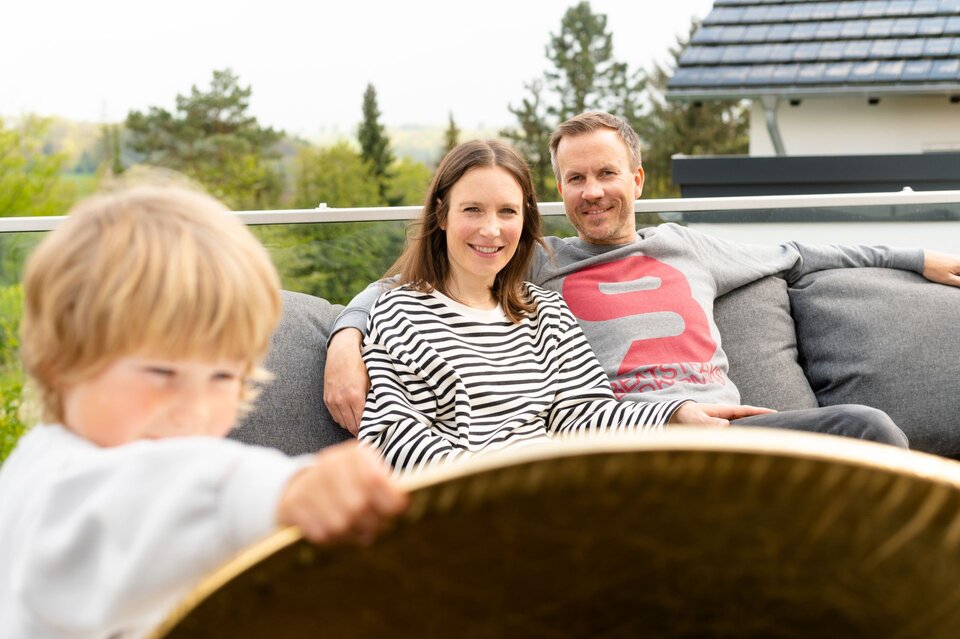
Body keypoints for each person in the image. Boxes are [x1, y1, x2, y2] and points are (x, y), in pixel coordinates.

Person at [327, 111, 960, 446]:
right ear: (558, 192)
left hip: (728, 430)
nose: (592, 191)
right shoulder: (532, 260)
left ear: (637, 178)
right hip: (630, 443)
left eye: (605, 173)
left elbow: (800, 251)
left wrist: (915, 257)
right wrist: (346, 336)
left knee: (867, 428)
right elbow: (409, 281)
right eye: (574, 179)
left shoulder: (689, 247)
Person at [0, 184, 408, 637]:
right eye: (161, 373)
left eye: (223, 378)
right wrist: (278, 490)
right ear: (62, 365)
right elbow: (138, 502)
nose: (193, 411)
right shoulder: (54, 485)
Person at [358, 140, 772, 473]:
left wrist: (675, 414)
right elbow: (391, 438)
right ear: (442, 215)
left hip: (562, 502)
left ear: (524, 223)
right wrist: (498, 482)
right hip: (470, 512)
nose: (491, 229)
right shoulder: (402, 314)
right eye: (473, 210)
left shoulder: (545, 313)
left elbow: (583, 414)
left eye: (507, 211)